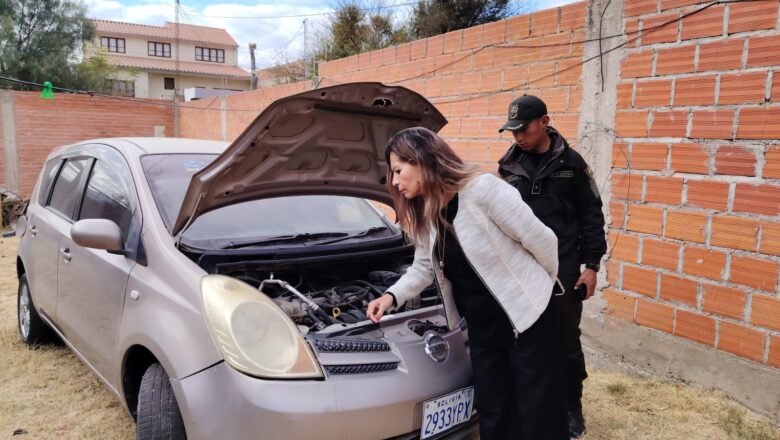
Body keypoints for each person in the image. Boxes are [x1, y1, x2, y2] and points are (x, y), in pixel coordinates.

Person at [366, 127, 568, 440]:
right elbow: (423, 266)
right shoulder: (428, 210)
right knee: (493, 412)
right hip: (483, 332)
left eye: (398, 170)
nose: (393, 182)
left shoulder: (482, 190)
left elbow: (542, 240)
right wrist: (391, 297)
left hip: (528, 322)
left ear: (422, 160)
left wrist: (541, 289)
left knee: (538, 417)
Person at [496, 95, 608, 438]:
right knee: (524, 337)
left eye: (524, 129)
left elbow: (592, 215)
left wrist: (592, 266)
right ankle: (532, 401)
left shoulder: (572, 164)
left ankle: (572, 406)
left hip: (564, 268)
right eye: (513, 131)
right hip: (522, 268)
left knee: (565, 340)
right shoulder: (508, 166)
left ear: (544, 122)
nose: (518, 137)